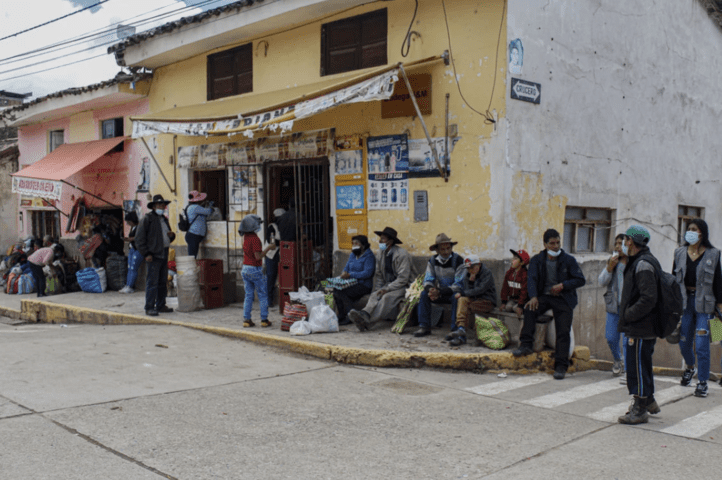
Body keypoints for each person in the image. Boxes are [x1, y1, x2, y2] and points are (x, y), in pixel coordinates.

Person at [513, 228, 586, 380]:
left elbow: (580, 280)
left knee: (563, 330)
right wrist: (533, 297)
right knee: (529, 309)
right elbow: (531, 279)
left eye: (558, 243)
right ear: (545, 244)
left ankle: (560, 366)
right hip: (544, 297)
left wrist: (563, 285)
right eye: (552, 243)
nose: (556, 246)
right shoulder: (537, 260)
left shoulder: (568, 260)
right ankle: (526, 344)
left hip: (563, 298)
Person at [673, 219, 722, 398]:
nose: (690, 232)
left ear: (702, 232)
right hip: (685, 304)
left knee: (702, 344)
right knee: (684, 342)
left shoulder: (713, 254)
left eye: (694, 229)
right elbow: (673, 280)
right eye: (688, 229)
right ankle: (690, 367)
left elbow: (718, 281)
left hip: (705, 305)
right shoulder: (679, 252)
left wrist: (720, 308)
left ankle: (702, 382)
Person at [617, 225, 661, 425]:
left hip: (641, 326)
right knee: (641, 363)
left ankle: (640, 406)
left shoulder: (643, 265)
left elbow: (648, 298)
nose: (623, 244)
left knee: (636, 366)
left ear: (631, 242)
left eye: (625, 240)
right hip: (640, 325)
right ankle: (648, 399)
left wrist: (629, 314)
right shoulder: (638, 262)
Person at [348, 227, 415, 331]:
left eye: (383, 239)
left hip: (405, 286)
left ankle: (367, 322)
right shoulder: (380, 253)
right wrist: (379, 289)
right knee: (376, 294)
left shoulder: (402, 254)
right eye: (380, 238)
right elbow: (379, 275)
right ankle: (364, 313)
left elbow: (403, 279)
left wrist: (387, 289)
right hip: (389, 284)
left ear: (391, 241)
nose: (380, 241)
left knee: (386, 297)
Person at [415, 233, 465, 338]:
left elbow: (459, 284)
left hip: (452, 292)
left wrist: (440, 291)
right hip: (439, 292)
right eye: (443, 249)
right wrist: (432, 290)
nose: (446, 252)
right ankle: (424, 326)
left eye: (448, 248)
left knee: (457, 297)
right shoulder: (432, 261)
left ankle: (454, 329)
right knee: (424, 294)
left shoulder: (459, 261)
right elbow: (428, 280)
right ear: (437, 250)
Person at [135, 194, 176, 316]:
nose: (161, 207)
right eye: (159, 205)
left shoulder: (164, 219)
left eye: (163, 205)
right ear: (153, 206)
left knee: (162, 282)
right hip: (153, 255)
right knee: (152, 282)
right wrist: (146, 253)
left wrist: (171, 236)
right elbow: (139, 239)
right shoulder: (147, 219)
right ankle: (149, 307)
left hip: (164, 252)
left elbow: (167, 236)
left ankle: (161, 305)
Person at [447, 255, 497, 346]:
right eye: (468, 268)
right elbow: (467, 291)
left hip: (487, 301)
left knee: (467, 307)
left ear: (478, 265)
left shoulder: (486, 273)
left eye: (472, 267)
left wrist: (463, 293)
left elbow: (480, 290)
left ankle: (464, 337)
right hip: (474, 300)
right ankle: (461, 329)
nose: (470, 270)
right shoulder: (467, 274)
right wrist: (470, 282)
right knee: (462, 300)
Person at [599, 234, 629, 379]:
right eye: (616, 243)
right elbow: (602, 281)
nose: (618, 247)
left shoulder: (634, 262)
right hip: (614, 307)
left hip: (629, 309)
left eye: (621, 243)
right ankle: (618, 360)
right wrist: (610, 268)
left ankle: (629, 372)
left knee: (627, 341)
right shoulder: (613, 262)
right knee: (611, 337)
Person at [239, 214, 275, 328]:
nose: (259, 226)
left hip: (245, 268)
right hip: (255, 269)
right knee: (262, 295)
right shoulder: (255, 239)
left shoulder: (245, 238)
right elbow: (258, 257)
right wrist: (269, 247)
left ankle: (246, 319)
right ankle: (264, 320)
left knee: (248, 295)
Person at [333, 235, 376, 325]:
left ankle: (349, 317)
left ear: (363, 245)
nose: (354, 245)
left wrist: (350, 275)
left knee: (343, 292)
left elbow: (368, 273)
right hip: (351, 282)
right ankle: (341, 315)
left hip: (364, 285)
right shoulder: (353, 254)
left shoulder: (369, 256)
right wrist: (344, 273)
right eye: (353, 243)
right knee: (336, 289)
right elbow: (347, 267)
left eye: (357, 243)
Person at [264, 208, 285, 307]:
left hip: (279, 254)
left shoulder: (282, 227)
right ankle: (269, 300)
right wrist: (281, 242)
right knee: (271, 277)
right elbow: (271, 242)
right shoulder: (272, 227)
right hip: (271, 255)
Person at [500, 249, 530, 316]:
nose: (512, 260)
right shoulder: (509, 273)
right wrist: (504, 302)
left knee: (515, 308)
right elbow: (505, 288)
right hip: (512, 299)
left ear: (522, 263)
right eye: (513, 258)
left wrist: (520, 306)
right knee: (507, 308)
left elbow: (524, 292)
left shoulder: (525, 275)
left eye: (515, 258)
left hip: (522, 301)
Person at [185, 190, 214, 258]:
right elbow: (208, 212)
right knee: (192, 257)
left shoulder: (191, 207)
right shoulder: (195, 207)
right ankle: (190, 268)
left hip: (192, 234)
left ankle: (191, 267)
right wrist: (210, 206)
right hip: (194, 235)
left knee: (192, 255)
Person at [120, 211, 142, 294]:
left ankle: (130, 286)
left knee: (133, 268)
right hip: (132, 249)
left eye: (129, 221)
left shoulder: (139, 227)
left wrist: (131, 239)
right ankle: (127, 285)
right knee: (129, 268)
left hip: (138, 250)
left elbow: (140, 237)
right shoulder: (132, 228)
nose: (128, 223)